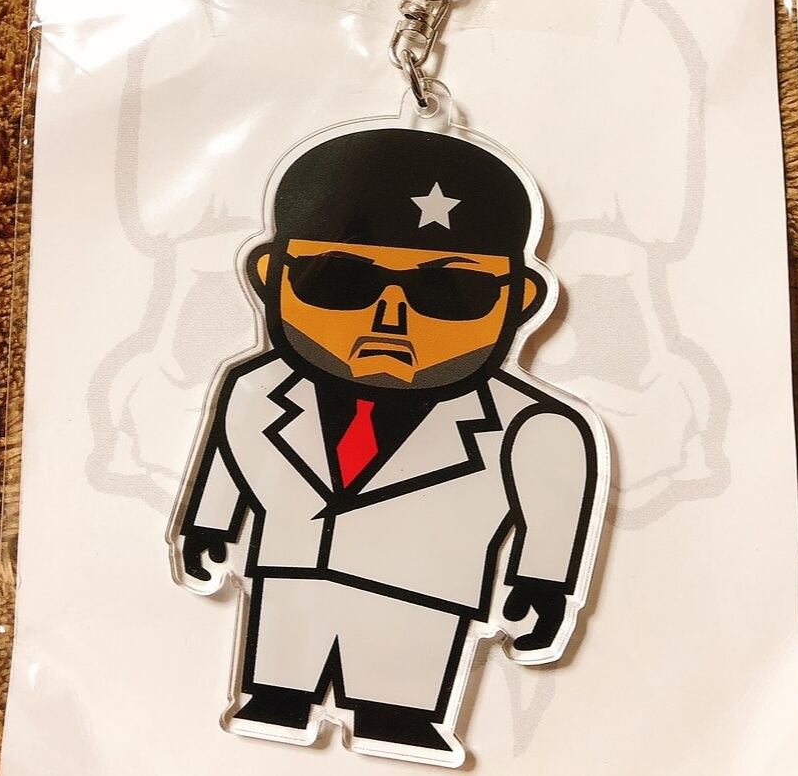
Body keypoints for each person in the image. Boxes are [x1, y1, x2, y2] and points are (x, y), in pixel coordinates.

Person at [170, 125, 606, 765]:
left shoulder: (531, 425)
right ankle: (277, 701)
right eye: (338, 281)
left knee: (399, 700)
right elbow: (225, 461)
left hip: (420, 591)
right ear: (269, 276)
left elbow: (553, 506)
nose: (390, 316)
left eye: (450, 293)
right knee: (278, 682)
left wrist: (543, 584)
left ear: (522, 300)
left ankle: (398, 720)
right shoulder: (254, 387)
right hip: (289, 575)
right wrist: (207, 524)